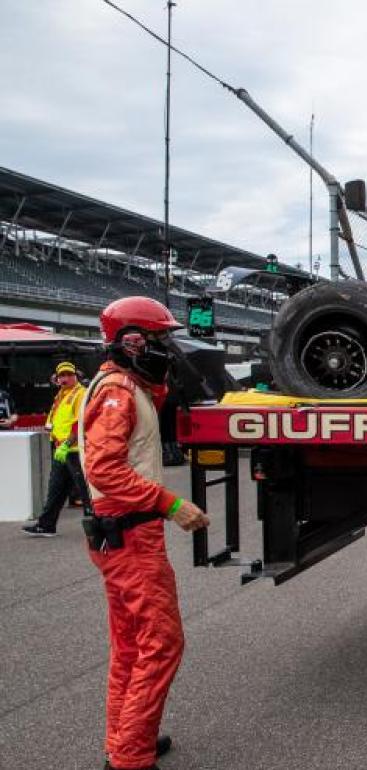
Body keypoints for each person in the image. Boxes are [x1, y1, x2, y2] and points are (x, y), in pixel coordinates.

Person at [80, 296, 209, 770]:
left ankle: (125, 740)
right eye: (158, 339)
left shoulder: (122, 385)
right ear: (131, 342)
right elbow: (106, 469)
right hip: (131, 535)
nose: (166, 349)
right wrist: (172, 504)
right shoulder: (117, 392)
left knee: (132, 643)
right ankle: (131, 756)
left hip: (119, 533)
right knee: (161, 642)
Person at [22, 362, 91, 537]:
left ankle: (96, 525)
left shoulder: (80, 394)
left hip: (74, 450)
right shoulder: (61, 395)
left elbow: (79, 423)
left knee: (86, 490)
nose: (65, 378)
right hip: (62, 449)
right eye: (62, 375)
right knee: (56, 489)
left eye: (69, 375)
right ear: (57, 378)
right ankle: (46, 525)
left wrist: (67, 444)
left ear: (76, 376)